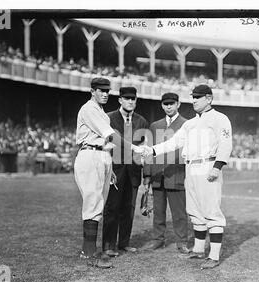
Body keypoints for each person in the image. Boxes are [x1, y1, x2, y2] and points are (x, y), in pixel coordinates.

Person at [141, 84, 232, 270]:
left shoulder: (220, 118)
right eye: (193, 97)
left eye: (198, 97)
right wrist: (152, 149)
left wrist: (218, 166)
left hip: (208, 166)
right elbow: (174, 142)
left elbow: (226, 143)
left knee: (212, 211)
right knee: (195, 211)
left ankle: (214, 256)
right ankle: (198, 250)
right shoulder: (189, 123)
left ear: (209, 98)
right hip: (190, 168)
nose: (194, 101)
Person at [74, 78, 142, 269]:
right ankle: (89, 254)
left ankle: (89, 251)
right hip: (90, 154)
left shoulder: (101, 112)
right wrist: (134, 149)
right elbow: (110, 136)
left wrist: (110, 168)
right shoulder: (89, 109)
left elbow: (107, 143)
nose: (104, 94)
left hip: (102, 156)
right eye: (100, 90)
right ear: (92, 91)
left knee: (98, 204)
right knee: (93, 204)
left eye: (106, 91)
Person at [102, 87, 149, 257]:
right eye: (126, 98)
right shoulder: (108, 118)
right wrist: (107, 168)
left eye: (133, 99)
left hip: (133, 171)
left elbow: (144, 148)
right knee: (112, 207)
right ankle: (108, 245)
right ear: (120, 100)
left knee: (128, 209)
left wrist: (146, 174)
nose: (130, 101)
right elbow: (104, 144)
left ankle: (124, 243)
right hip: (115, 170)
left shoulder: (141, 121)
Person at [142, 92, 190, 254]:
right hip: (157, 174)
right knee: (158, 211)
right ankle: (158, 240)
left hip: (176, 173)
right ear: (161, 105)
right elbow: (148, 152)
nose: (168, 106)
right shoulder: (155, 126)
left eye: (172, 103)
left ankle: (182, 242)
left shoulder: (186, 124)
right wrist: (147, 175)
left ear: (178, 104)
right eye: (165, 103)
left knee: (179, 212)